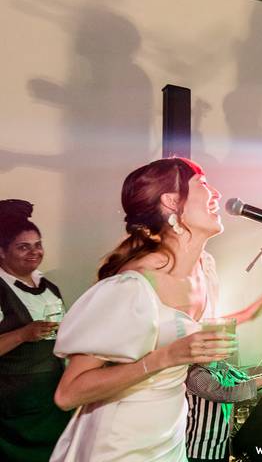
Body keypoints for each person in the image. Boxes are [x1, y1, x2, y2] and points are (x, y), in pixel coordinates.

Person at [51, 157, 239, 461]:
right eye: (203, 185)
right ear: (171, 201)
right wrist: (167, 356)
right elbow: (68, 393)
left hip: (169, 436)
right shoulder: (132, 288)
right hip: (119, 444)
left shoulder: (205, 269)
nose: (216, 193)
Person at [185, 272, 262, 462]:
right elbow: (226, 393)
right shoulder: (197, 375)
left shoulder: (221, 367)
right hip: (200, 451)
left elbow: (243, 381)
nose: (229, 344)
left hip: (220, 447)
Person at [0, 199, 70, 461]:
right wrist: (23, 334)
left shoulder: (50, 287)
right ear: (1, 252)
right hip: (13, 411)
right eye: (23, 247)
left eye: (38, 245)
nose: (34, 252)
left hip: (51, 401)